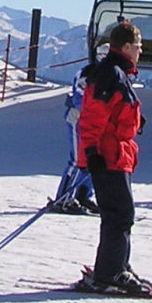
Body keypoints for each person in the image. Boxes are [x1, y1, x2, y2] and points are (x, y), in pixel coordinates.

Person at [74, 21, 152, 296]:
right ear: (127, 47)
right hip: (108, 156)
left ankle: (117, 266)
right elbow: (93, 116)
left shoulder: (117, 73)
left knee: (120, 214)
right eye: (139, 47)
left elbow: (114, 111)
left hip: (117, 154)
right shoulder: (111, 74)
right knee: (119, 214)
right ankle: (110, 272)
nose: (141, 52)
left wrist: (133, 119)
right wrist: (92, 152)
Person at [49, 69, 99, 214]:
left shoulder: (110, 73)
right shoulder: (88, 74)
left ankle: (82, 196)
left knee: (92, 160)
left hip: (94, 123)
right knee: (77, 160)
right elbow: (80, 99)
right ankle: (63, 198)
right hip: (78, 119)